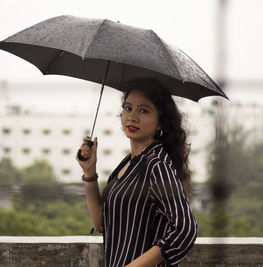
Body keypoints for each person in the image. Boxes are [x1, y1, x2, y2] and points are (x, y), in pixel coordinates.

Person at [76, 78, 197, 267]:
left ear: (160, 123)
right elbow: (101, 223)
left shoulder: (156, 164)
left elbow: (185, 229)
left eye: (143, 110)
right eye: (128, 108)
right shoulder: (129, 162)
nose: (132, 116)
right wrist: (89, 173)